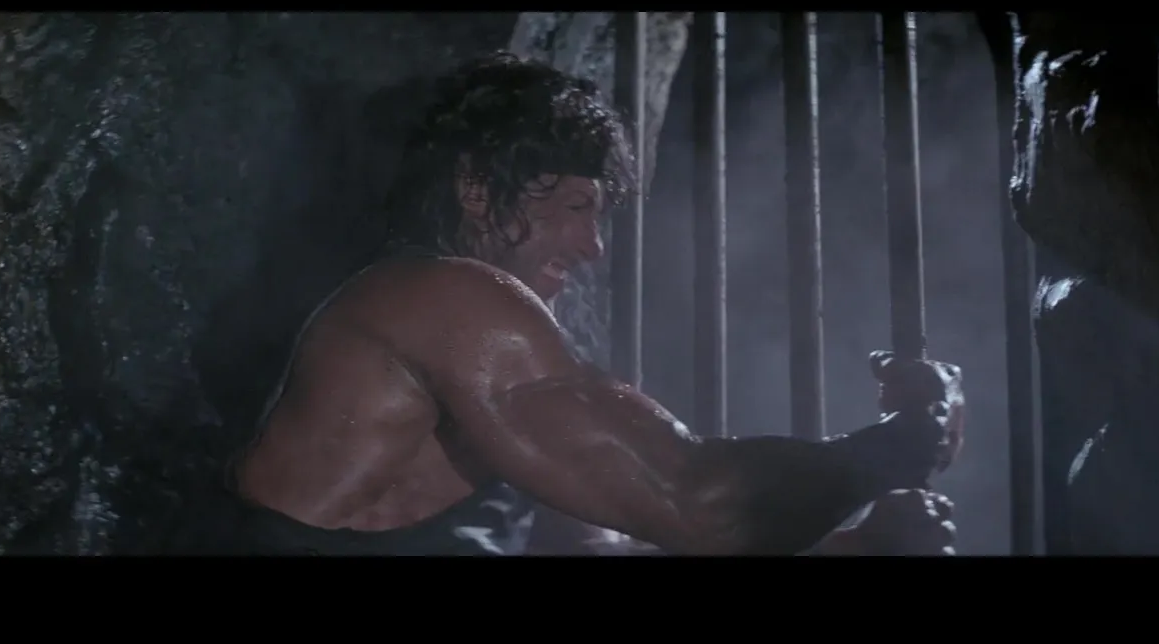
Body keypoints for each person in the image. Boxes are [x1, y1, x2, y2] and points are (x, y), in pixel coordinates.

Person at [227, 51, 966, 556]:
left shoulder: (490, 376)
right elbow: (698, 505)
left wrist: (855, 546)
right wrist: (904, 443)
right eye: (576, 208)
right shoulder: (439, 297)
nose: (593, 246)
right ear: (477, 191)